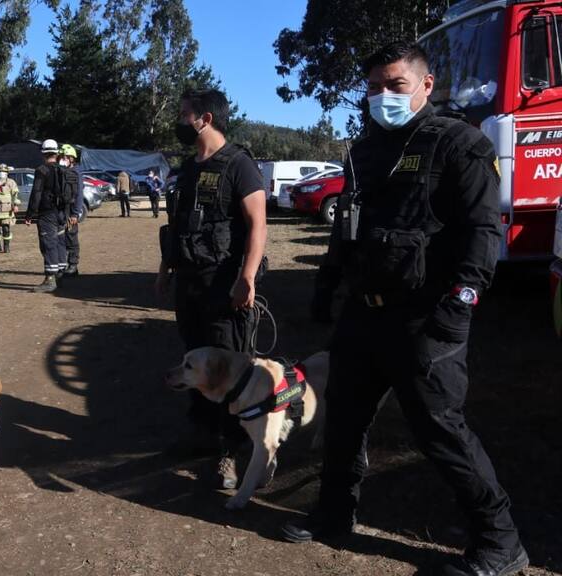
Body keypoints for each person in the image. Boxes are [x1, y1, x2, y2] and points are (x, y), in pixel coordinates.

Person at [281, 42, 528, 576]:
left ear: (426, 85)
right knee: (343, 420)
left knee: (439, 431)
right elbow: (350, 226)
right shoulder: (367, 149)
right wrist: (327, 288)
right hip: (364, 313)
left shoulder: (459, 145)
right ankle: (333, 513)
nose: (383, 96)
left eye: (395, 85)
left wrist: (459, 305)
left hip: (425, 318)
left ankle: (500, 542)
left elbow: (483, 234)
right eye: (373, 87)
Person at [156, 88, 267, 488]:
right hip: (189, 282)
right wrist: (165, 268)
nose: (180, 120)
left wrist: (247, 277)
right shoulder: (187, 168)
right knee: (193, 361)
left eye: (184, 114)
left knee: (231, 368)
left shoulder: (240, 165)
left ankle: (232, 451)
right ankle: (200, 433)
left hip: (224, 283)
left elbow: (258, 225)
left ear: (204, 118)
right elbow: (177, 224)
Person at [26, 139, 68, 293]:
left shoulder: (42, 170)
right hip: (62, 212)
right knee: (60, 242)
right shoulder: (63, 170)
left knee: (48, 244)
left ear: (43, 153)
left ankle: (50, 279)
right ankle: (61, 275)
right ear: (56, 153)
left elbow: (36, 193)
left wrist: (30, 213)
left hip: (47, 213)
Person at [59, 144, 83, 277]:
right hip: (61, 210)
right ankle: (64, 265)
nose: (63, 159)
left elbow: (79, 194)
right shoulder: (61, 171)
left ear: (72, 159)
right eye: (61, 157)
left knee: (71, 236)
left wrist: (75, 213)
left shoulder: (76, 172)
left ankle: (73, 265)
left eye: (65, 157)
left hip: (71, 210)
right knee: (61, 237)